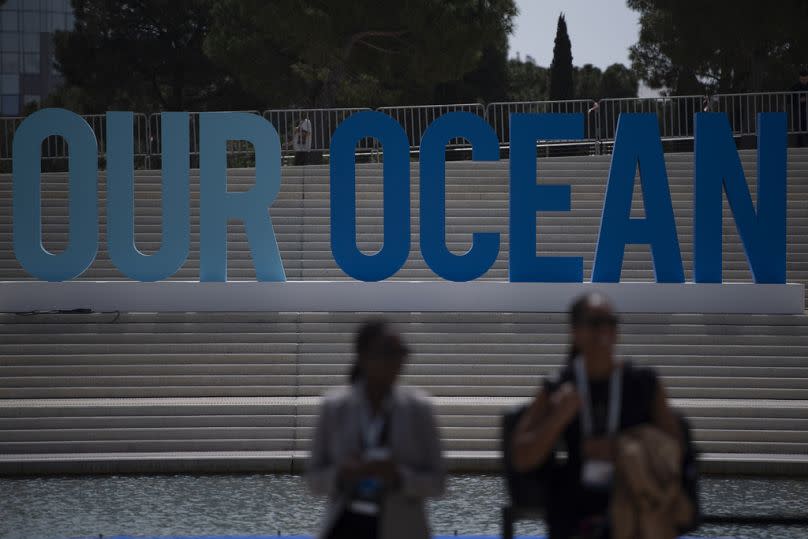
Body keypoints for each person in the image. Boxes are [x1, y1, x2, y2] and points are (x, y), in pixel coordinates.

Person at [510, 293, 682, 539]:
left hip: (635, 503)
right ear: (575, 331)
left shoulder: (643, 383)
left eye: (610, 323)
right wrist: (558, 417)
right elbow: (522, 456)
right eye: (595, 323)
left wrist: (620, 449)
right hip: (574, 511)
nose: (604, 330)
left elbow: (676, 448)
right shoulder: (559, 386)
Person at [306, 319, 446, 539]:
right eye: (388, 353)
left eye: (401, 353)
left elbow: (438, 482)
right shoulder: (334, 408)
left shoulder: (419, 409)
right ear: (363, 357)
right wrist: (342, 474)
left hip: (402, 528)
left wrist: (399, 476)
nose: (397, 361)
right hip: (346, 525)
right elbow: (313, 479)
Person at [791, 69, 808, 147]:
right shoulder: (795, 87)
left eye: (805, 79)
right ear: (799, 78)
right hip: (799, 111)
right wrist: (799, 100)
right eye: (802, 79)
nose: (804, 81)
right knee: (800, 129)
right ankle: (800, 145)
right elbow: (790, 99)